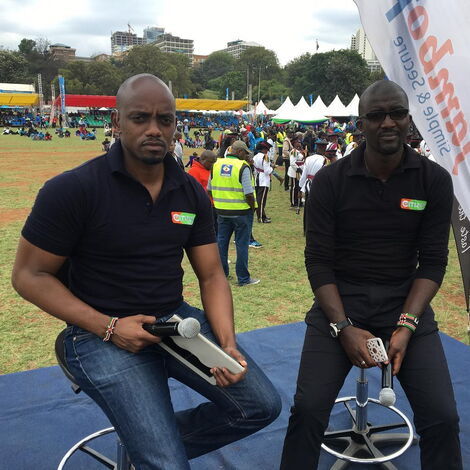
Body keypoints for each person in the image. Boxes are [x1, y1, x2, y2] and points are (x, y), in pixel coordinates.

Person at [11, 74, 281, 470]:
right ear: (117, 123)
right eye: (140, 118)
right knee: (166, 462)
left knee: (261, 406)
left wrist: (226, 342)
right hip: (96, 333)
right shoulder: (73, 189)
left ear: (176, 126)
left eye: (165, 119)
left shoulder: (189, 192)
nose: (155, 129)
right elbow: (28, 276)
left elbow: (211, 275)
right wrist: (108, 326)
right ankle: (155, 449)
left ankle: (153, 444)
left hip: (173, 321)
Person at [280, 80, 462, 470]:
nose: (388, 123)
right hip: (340, 305)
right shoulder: (331, 181)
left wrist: (408, 324)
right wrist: (343, 327)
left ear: (409, 119)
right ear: (360, 124)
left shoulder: (433, 180)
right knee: (308, 410)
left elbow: (433, 261)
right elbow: (318, 262)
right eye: (376, 116)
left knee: (444, 418)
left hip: (404, 304)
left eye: (397, 113)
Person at [208, 140, 260, 286]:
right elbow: (249, 193)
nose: (246, 156)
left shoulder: (216, 165)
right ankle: (243, 278)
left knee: (221, 243)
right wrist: (252, 208)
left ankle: (222, 275)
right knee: (242, 245)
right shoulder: (243, 167)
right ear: (239, 152)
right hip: (241, 213)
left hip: (221, 212)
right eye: (245, 153)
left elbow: (209, 189)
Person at [253, 141, 273, 223]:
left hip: (257, 178)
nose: (267, 151)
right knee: (261, 200)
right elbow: (267, 171)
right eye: (267, 150)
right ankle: (261, 217)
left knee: (258, 198)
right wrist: (272, 168)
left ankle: (262, 215)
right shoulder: (265, 157)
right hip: (263, 180)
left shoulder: (255, 156)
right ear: (264, 149)